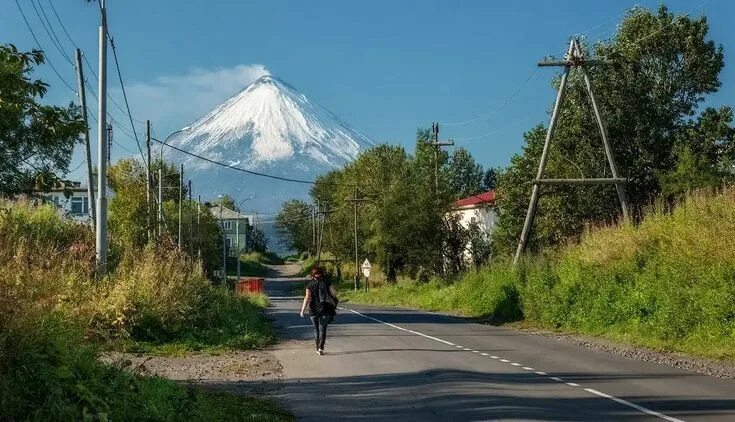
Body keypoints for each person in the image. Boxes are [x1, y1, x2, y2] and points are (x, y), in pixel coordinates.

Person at [299, 267, 338, 355]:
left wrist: (302, 310)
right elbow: (334, 293)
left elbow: (307, 298)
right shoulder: (327, 283)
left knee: (316, 329)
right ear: (322, 274)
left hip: (313, 309)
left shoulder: (310, 285)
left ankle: (317, 348)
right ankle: (321, 347)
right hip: (325, 308)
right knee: (323, 329)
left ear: (313, 275)